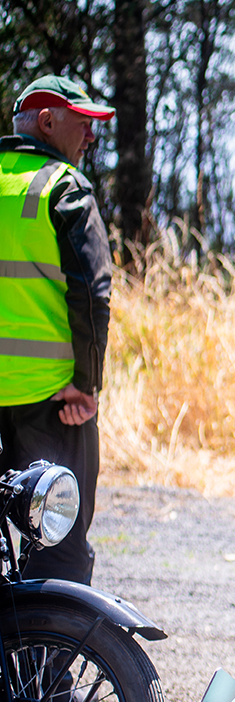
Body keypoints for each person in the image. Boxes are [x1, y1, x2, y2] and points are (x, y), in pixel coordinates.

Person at [0, 75, 115, 584]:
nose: (91, 137)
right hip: (52, 405)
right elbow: (92, 293)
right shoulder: (62, 186)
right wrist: (86, 385)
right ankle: (48, 640)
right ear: (47, 122)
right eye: (83, 123)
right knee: (58, 550)